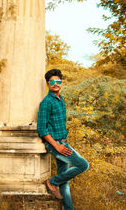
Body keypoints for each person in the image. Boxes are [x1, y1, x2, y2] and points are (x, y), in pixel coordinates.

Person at [37, 68, 89, 210]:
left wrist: (62, 144)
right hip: (56, 144)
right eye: (52, 82)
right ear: (48, 84)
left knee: (65, 181)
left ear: (61, 83)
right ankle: (52, 182)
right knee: (83, 165)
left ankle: (67, 208)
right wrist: (57, 146)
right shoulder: (46, 102)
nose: (55, 84)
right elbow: (42, 129)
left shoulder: (61, 99)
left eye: (58, 81)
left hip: (63, 142)